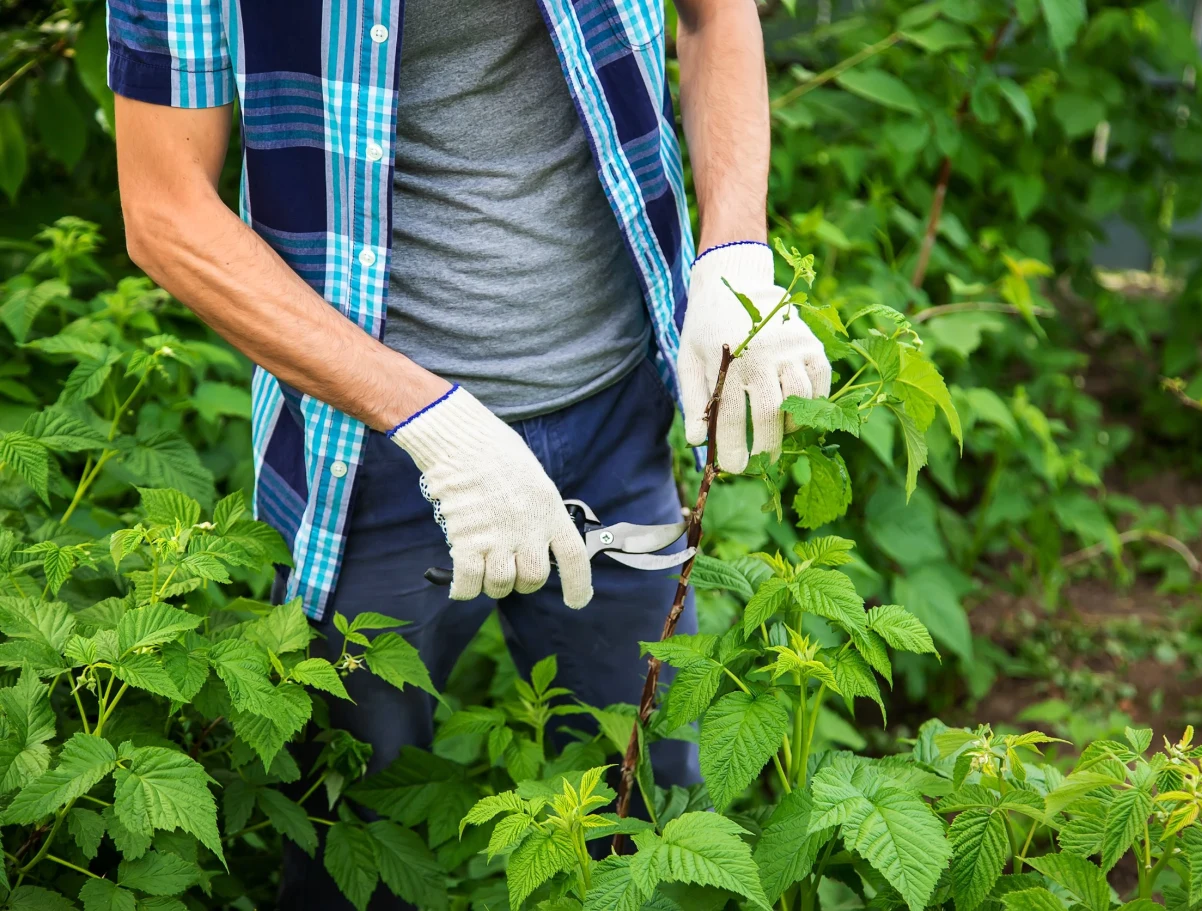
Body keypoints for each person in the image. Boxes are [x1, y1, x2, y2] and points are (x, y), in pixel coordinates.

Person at [109, 0, 830, 904]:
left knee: (647, 827)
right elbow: (164, 210)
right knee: (354, 841)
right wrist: (426, 418)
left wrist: (734, 252)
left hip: (617, 411)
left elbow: (716, 13)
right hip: (369, 460)